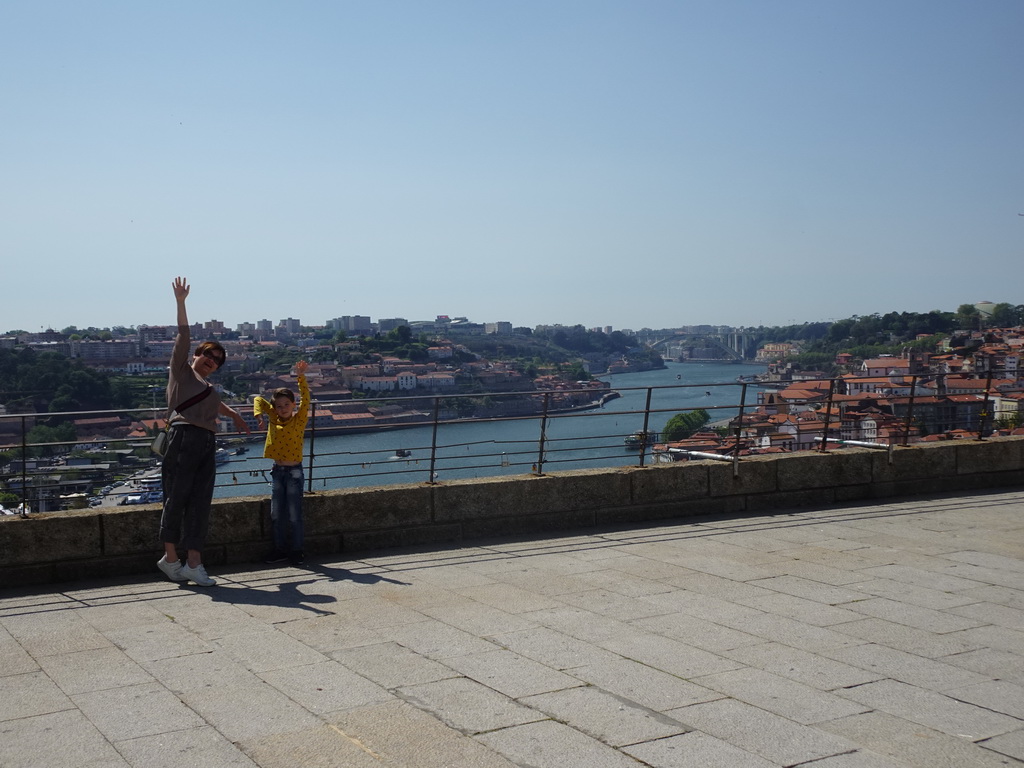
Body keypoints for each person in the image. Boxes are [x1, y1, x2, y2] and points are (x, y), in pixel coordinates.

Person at [157, 277, 250, 586]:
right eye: (208, 355)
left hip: (206, 441)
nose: (212, 361)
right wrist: (181, 303)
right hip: (183, 438)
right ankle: (171, 560)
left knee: (200, 502)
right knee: (177, 497)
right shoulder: (181, 371)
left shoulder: (208, 387)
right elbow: (183, 335)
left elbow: (215, 403)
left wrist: (234, 413)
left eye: (217, 361)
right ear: (196, 354)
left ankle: (194, 564)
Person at [254, 359, 310, 566]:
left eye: (287, 404)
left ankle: (297, 551)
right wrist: (259, 416)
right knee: (276, 514)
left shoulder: (300, 419)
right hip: (277, 471)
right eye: (279, 406)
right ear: (275, 408)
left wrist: (300, 376)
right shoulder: (273, 418)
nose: (283, 408)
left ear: (293, 405)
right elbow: (258, 399)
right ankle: (279, 550)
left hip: (294, 472)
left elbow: (306, 398)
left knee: (295, 515)